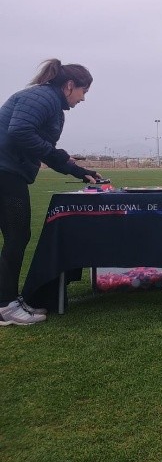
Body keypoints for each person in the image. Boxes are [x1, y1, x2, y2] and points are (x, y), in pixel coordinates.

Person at [0, 59, 100, 325]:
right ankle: (5, 306)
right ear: (69, 85)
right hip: (4, 172)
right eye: (84, 91)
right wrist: (55, 154)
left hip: (9, 171)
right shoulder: (43, 98)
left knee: (17, 236)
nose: (83, 98)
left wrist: (79, 171)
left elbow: (43, 148)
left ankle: (7, 300)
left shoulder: (50, 102)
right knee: (17, 236)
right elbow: (20, 131)